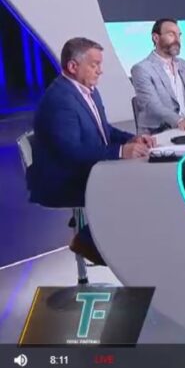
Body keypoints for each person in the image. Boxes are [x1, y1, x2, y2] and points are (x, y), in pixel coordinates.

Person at [28, 37, 155, 265]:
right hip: (63, 179)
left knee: (141, 177)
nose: (100, 71)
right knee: (132, 184)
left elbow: (104, 130)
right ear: (73, 66)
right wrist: (120, 152)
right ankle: (89, 239)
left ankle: (114, 240)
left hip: (85, 168)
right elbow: (72, 153)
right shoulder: (60, 100)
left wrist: (132, 138)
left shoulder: (88, 90)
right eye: (94, 65)